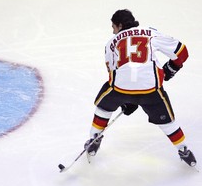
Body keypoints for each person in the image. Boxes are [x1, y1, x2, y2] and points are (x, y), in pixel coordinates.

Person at [84, 9, 196, 167]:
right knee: (167, 122)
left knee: (103, 107)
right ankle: (184, 150)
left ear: (120, 25)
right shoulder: (151, 33)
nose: (112, 30)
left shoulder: (111, 42)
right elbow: (182, 52)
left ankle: (94, 139)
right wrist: (171, 68)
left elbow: (112, 72)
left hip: (120, 89)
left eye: (113, 27)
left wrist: (128, 98)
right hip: (151, 90)